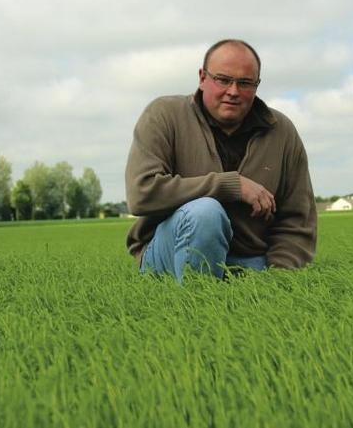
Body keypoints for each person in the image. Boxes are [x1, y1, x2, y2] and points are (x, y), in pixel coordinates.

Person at [125, 39, 316, 282]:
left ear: (257, 85)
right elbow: (142, 193)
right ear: (202, 78)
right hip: (169, 253)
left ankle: (234, 288)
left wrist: (279, 278)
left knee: (266, 296)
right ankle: (197, 306)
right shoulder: (164, 115)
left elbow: (297, 219)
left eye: (245, 83)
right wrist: (232, 185)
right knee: (205, 213)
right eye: (223, 80)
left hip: (249, 259)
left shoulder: (282, 132)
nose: (233, 92)